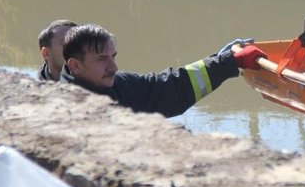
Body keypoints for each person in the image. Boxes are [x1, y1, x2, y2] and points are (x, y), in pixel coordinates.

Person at [59, 23, 267, 118]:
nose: (113, 67)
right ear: (75, 65)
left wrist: (225, 62)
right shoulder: (66, 109)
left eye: (113, 57)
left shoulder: (121, 85)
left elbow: (173, 87)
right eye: (102, 59)